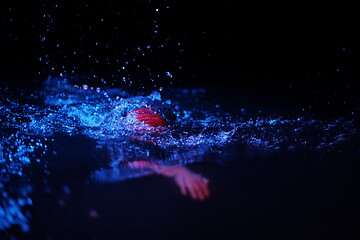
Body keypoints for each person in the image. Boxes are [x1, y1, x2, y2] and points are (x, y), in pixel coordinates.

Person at [122, 105, 210, 201]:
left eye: (152, 137)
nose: (144, 142)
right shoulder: (123, 139)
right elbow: (131, 162)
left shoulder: (181, 138)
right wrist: (174, 168)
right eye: (138, 137)